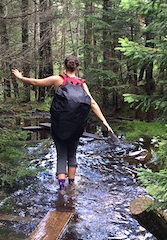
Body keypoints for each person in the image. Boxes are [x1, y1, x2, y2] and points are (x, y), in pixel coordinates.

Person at [12, 56, 114, 191]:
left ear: (65, 67)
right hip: (77, 126)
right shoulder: (82, 84)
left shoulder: (58, 80)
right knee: (72, 154)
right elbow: (92, 103)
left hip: (60, 125)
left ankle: (61, 187)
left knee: (61, 155)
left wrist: (20, 77)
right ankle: (72, 185)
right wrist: (104, 122)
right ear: (77, 67)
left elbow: (35, 82)